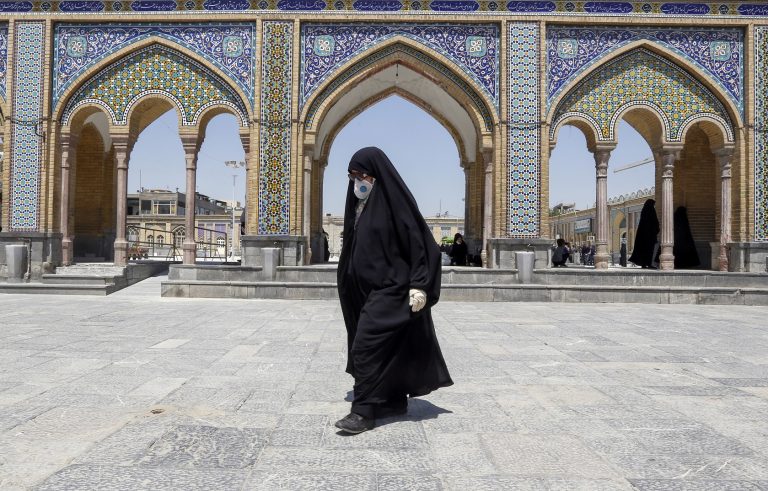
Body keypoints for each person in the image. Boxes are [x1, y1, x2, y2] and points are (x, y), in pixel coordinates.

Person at [335, 147, 453, 434]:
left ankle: (362, 411)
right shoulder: (359, 207)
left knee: (365, 346)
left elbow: (423, 245)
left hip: (393, 290)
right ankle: (392, 400)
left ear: (375, 175)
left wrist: (420, 285)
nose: (356, 182)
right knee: (389, 347)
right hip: (364, 292)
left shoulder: (395, 205)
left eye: (361, 175)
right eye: (352, 176)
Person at [629, 199, 660, 268]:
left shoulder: (644, 210)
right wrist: (656, 230)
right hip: (650, 235)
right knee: (649, 250)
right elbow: (655, 222)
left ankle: (643, 264)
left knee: (643, 249)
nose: (654, 206)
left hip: (642, 235)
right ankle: (648, 264)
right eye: (653, 204)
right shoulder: (651, 210)